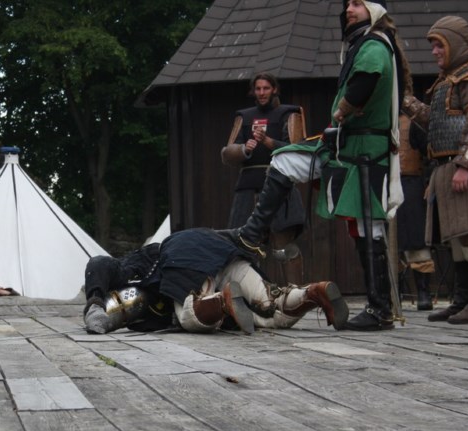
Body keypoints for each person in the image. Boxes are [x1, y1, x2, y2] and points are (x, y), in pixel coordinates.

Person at [233, 0, 410, 331]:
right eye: (347, 4)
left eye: (357, 3)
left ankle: (380, 309)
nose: (349, 9)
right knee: (286, 160)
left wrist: (343, 109)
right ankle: (252, 234)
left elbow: (365, 82)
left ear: (374, 9)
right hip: (347, 147)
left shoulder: (374, 44)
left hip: (364, 151)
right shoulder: (365, 43)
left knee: (368, 227)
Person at [402, 15, 468, 324]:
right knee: (458, 238)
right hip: (450, 167)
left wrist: (465, 165)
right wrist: (407, 102)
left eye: (439, 45)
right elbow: (438, 123)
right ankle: (462, 301)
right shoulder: (449, 79)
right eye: (433, 45)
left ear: (456, 43)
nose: (434, 51)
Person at [83, 228, 348, 335]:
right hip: (224, 254)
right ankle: (313, 293)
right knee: (271, 309)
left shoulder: (139, 262)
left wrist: (94, 303)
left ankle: (221, 302)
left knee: (189, 315)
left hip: (184, 255)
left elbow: (98, 263)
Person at [221, 72, 306, 284]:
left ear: (274, 89)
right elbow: (227, 153)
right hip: (248, 187)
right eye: (258, 89)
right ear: (253, 91)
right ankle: (251, 295)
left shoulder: (289, 114)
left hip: (280, 185)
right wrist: (244, 149)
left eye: (266, 88)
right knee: (243, 246)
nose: (261, 92)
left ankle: (295, 293)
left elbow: (299, 150)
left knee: (284, 247)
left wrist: (269, 142)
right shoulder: (244, 117)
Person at [396, 112, 434, 311]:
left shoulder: (412, 124)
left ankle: (423, 292)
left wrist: (428, 182)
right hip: (385, 182)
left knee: (416, 237)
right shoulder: (377, 119)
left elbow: (431, 154)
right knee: (387, 240)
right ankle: (393, 292)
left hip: (411, 183)